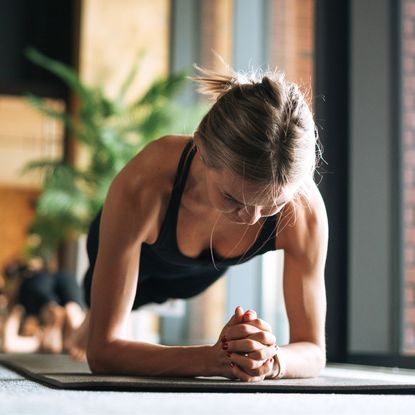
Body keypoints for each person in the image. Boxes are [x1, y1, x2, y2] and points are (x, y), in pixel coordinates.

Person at [69, 64, 328, 382]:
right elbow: (103, 354)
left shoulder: (304, 211)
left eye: (272, 205)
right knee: (96, 314)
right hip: (134, 245)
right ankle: (85, 318)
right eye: (233, 198)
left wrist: (271, 360)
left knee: (163, 291)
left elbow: (314, 351)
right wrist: (213, 359)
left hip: (196, 275)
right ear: (201, 150)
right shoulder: (145, 183)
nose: (251, 219)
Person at [0, 257, 85, 354]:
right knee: (72, 312)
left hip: (33, 286)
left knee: (71, 314)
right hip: (60, 280)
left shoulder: (23, 294)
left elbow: (8, 345)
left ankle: (57, 327)